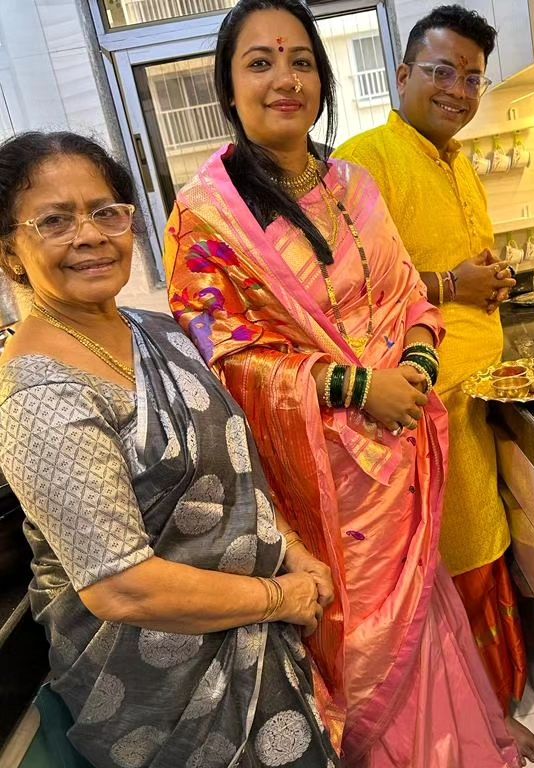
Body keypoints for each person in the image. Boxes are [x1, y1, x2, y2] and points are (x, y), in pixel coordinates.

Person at [163, 1, 522, 765]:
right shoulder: (205, 219)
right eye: (259, 62)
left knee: (425, 621)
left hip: (402, 450)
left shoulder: (353, 185)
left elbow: (412, 301)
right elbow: (221, 357)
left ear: (322, 79)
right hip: (322, 485)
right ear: (227, 87)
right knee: (361, 649)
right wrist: (360, 390)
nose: (284, 79)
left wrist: (417, 369)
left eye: (300, 61)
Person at [0, 131, 340, 768]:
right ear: (11, 254)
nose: (91, 234)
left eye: (107, 211)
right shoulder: (39, 393)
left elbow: (234, 465)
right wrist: (281, 598)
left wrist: (294, 551)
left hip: (255, 641)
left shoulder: (155, 331)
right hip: (162, 697)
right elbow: (122, 588)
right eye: (54, 220)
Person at [333, 6, 534, 762]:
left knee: (490, 550)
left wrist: (484, 281)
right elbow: (350, 291)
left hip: (482, 392)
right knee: (463, 561)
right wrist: (452, 282)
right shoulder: (367, 160)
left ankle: (500, 708)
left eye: (471, 77)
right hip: (426, 410)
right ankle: (479, 724)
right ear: (401, 75)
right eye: (440, 71)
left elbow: (452, 271)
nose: (458, 89)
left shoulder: (453, 158)